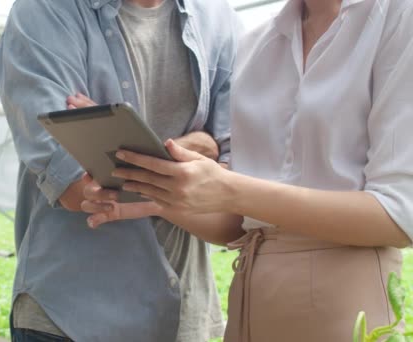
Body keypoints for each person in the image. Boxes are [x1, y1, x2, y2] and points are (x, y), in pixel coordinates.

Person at [80, 0, 413, 341]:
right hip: (251, 299)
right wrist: (153, 190)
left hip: (345, 303)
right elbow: (239, 223)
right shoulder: (256, 42)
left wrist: (230, 188)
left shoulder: (397, 17)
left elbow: (398, 215)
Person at [0, 0, 241, 341]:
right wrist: (200, 148)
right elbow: (77, 186)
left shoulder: (219, 20)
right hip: (71, 317)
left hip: (184, 316)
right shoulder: (46, 11)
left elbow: (236, 189)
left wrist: (112, 139)